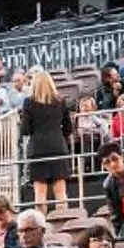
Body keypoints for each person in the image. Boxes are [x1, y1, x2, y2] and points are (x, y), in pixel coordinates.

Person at [15, 68, 74, 207]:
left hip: (38, 149)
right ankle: (63, 224)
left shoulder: (29, 103)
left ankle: (41, 226)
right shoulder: (60, 101)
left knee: (40, 195)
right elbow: (68, 128)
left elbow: (25, 130)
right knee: (61, 194)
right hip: (58, 147)